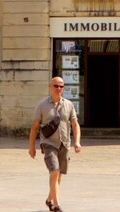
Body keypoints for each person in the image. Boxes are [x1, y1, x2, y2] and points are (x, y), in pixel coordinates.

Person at [29, 76, 81, 212]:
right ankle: (57, 205)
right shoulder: (42, 105)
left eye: (61, 86)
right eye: (56, 86)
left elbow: (75, 124)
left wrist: (77, 142)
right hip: (48, 143)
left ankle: (49, 200)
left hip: (64, 143)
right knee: (54, 171)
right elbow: (34, 127)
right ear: (50, 87)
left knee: (59, 176)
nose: (59, 89)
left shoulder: (68, 105)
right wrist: (31, 148)